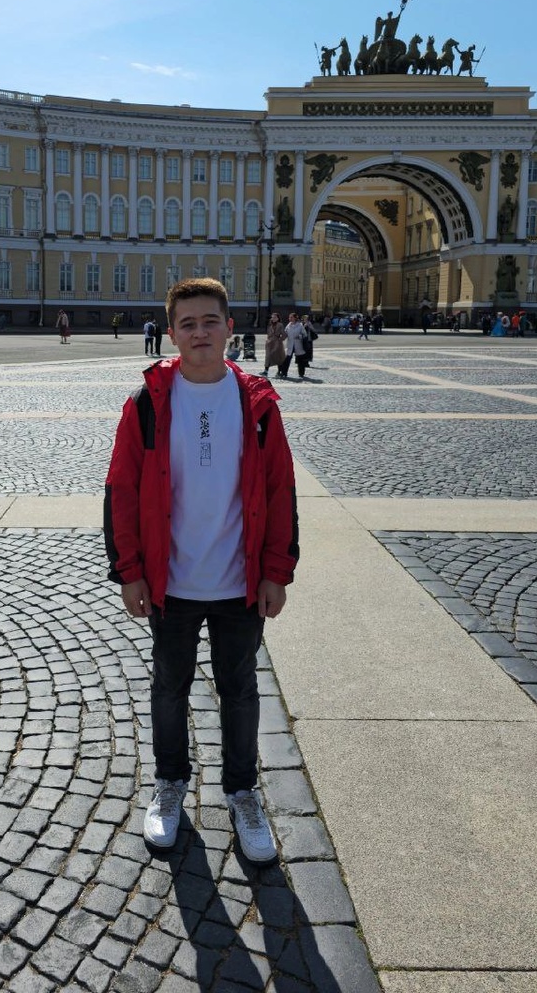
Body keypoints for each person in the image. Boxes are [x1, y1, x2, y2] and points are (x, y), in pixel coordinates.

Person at [104, 277, 299, 864]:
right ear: (171, 334)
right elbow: (121, 491)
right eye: (187, 323)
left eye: (210, 321)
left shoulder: (257, 404)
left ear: (229, 328)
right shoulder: (146, 404)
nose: (199, 333)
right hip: (173, 582)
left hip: (240, 582)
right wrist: (129, 572)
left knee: (240, 691)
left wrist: (276, 572)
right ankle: (170, 785)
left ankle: (242, 792)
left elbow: (280, 491)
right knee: (169, 688)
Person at [279, 312, 308, 379]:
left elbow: (304, 334)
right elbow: (285, 333)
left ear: (295, 318)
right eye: (289, 317)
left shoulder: (300, 325)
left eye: (291, 317)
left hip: (298, 345)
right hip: (290, 345)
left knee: (300, 360)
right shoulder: (288, 325)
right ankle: (284, 373)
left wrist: (299, 336)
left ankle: (301, 373)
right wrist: (281, 337)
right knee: (287, 359)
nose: (290, 318)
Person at [262, 313, 286, 378]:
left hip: (277, 343)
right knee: (268, 357)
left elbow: (284, 334)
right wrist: (268, 340)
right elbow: (268, 334)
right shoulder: (270, 325)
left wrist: (280, 340)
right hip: (270, 343)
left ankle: (279, 372)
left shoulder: (280, 325)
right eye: (272, 317)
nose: (273, 318)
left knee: (278, 358)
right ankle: (265, 371)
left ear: (278, 318)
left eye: (275, 317)